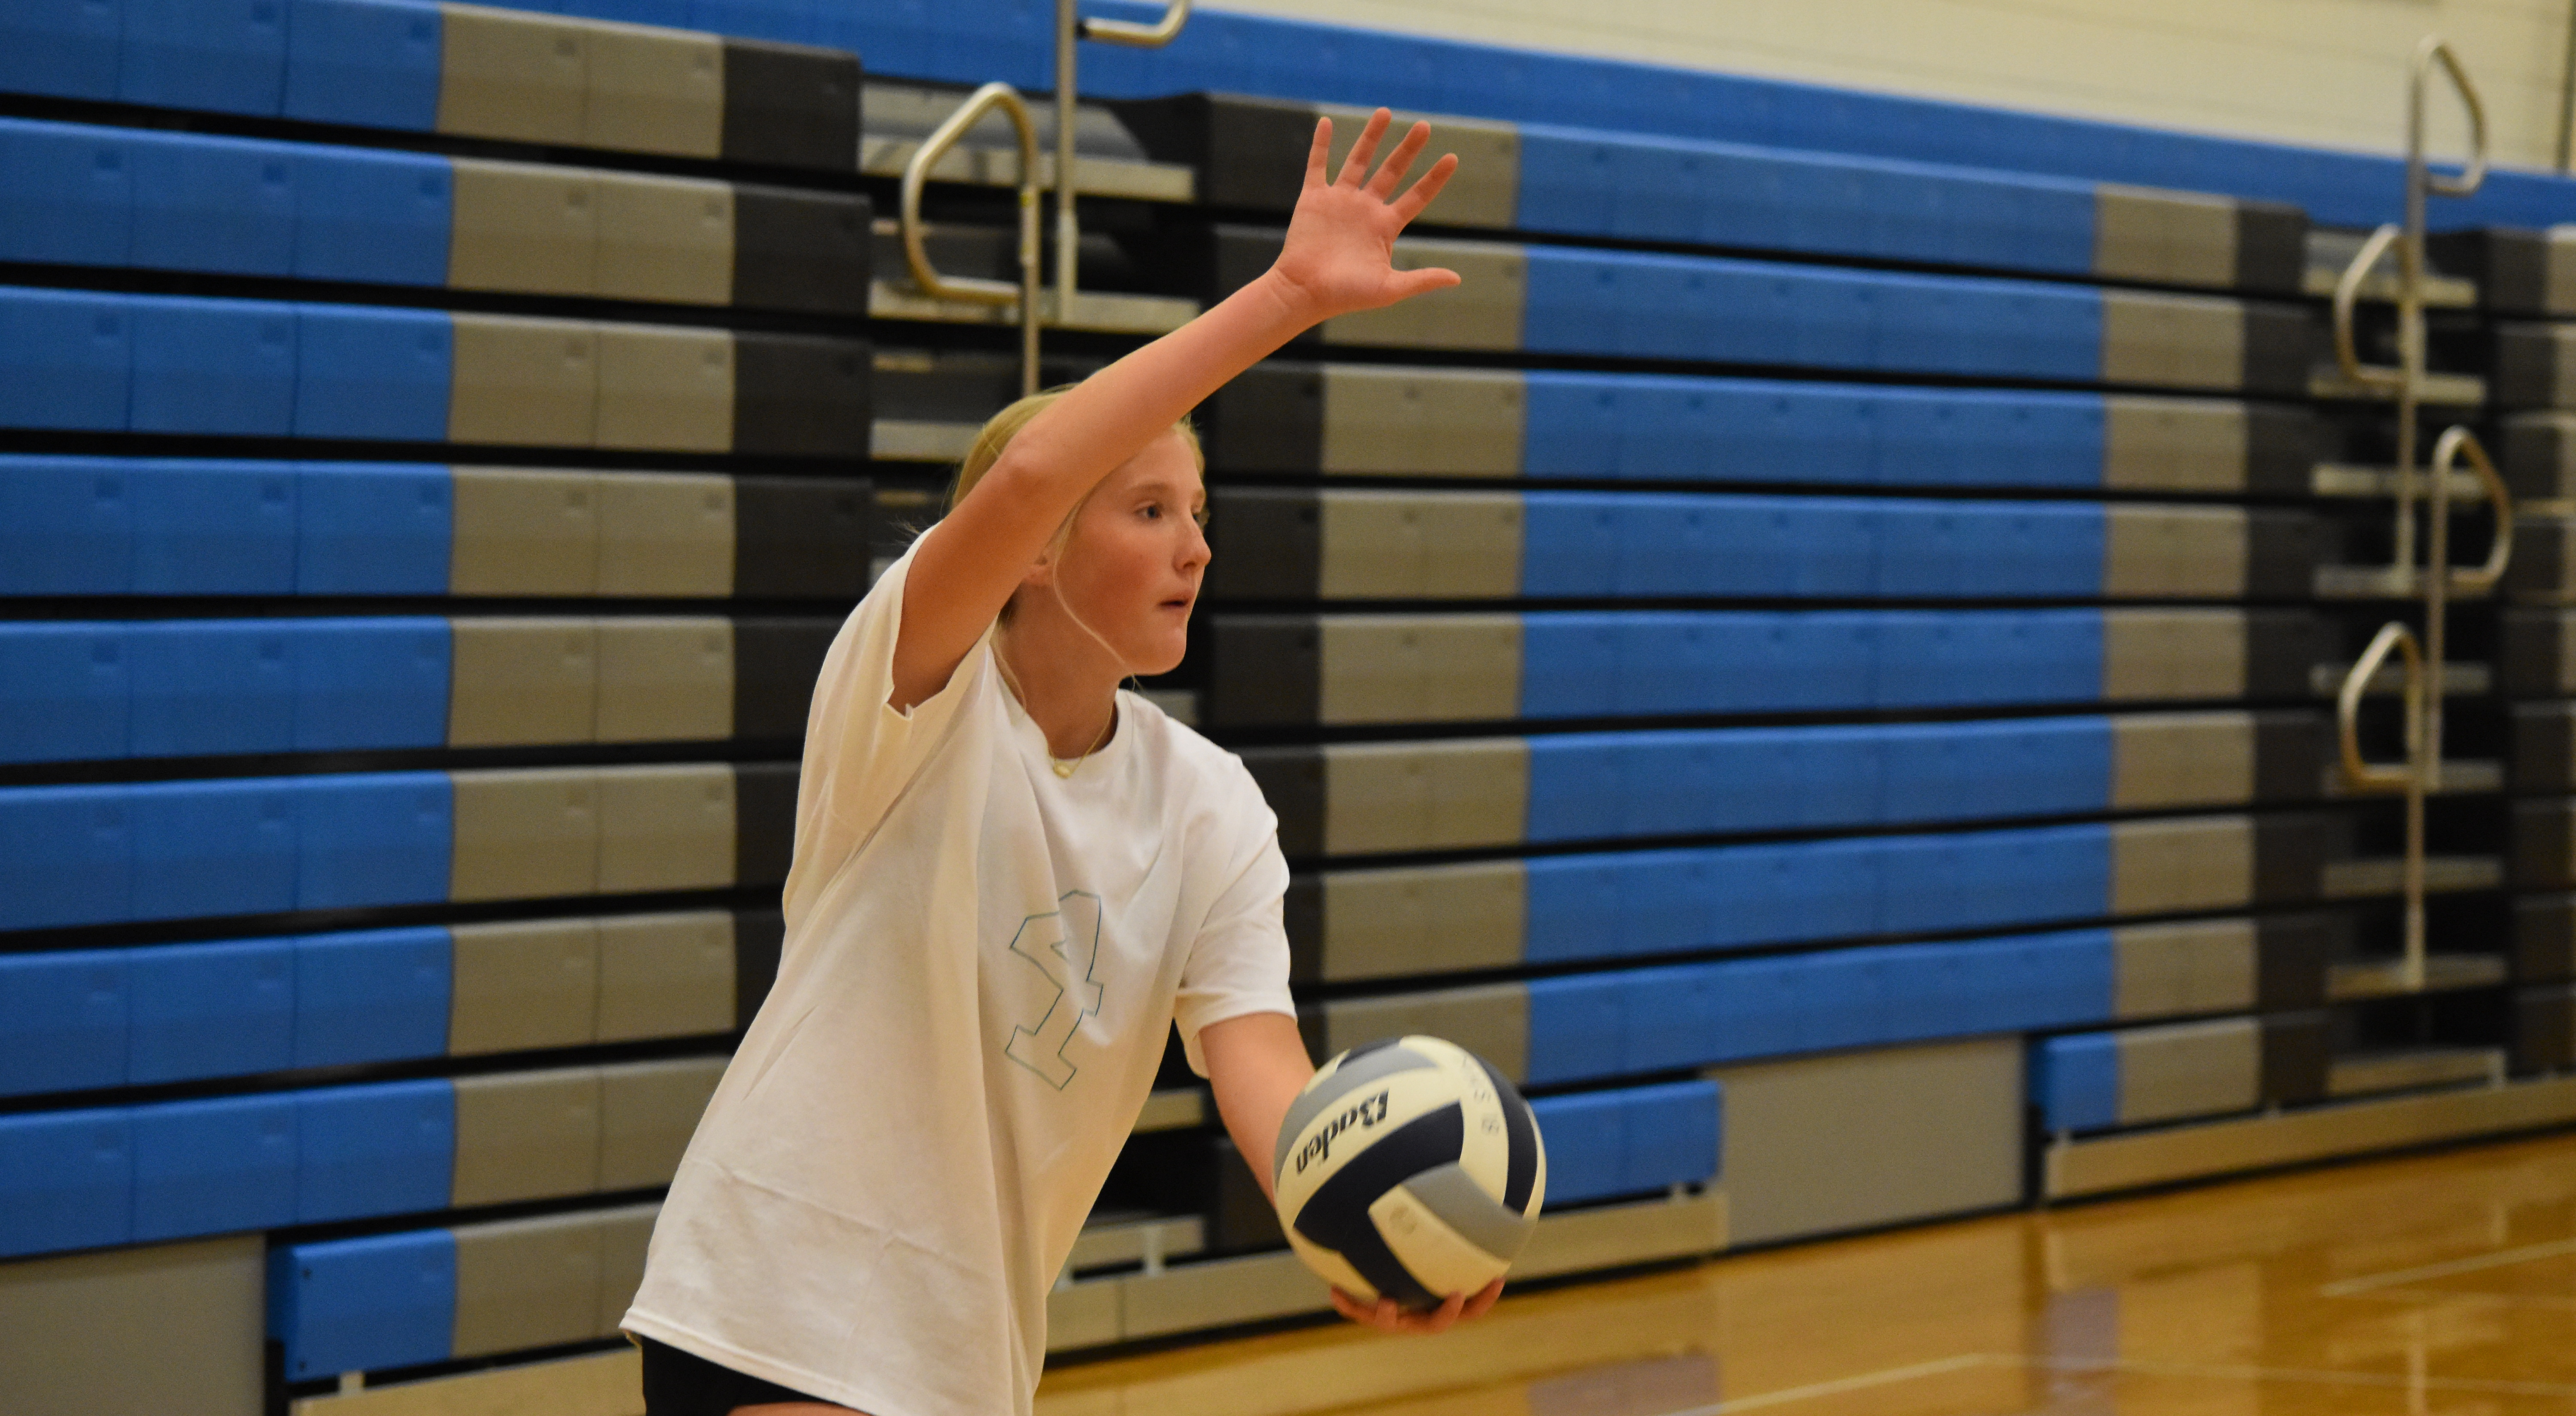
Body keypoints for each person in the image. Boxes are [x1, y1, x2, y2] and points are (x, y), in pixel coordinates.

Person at [620, 108, 1503, 1416]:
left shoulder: (1211, 806)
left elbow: (1259, 1060)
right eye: (1150, 511)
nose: (1194, 548)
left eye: (1199, 515)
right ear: (1035, 550)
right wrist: (1284, 297)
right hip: (772, 1300)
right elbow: (1036, 465)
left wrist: (1349, 1209)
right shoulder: (912, 691)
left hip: (961, 1360)